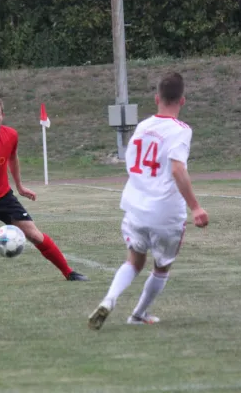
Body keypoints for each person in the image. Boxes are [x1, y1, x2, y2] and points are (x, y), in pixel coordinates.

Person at [88, 72, 208, 330]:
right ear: (183, 101)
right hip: (164, 212)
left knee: (133, 261)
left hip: (135, 208)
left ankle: (109, 299)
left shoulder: (142, 127)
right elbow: (177, 170)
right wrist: (196, 207)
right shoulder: (181, 131)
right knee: (162, 266)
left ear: (156, 98)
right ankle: (138, 314)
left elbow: (132, 163)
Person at [0, 94, 88, 286]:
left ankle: (69, 272)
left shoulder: (11, 135)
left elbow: (12, 158)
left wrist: (20, 186)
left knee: (34, 234)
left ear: (2, 115)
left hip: (1, 197)